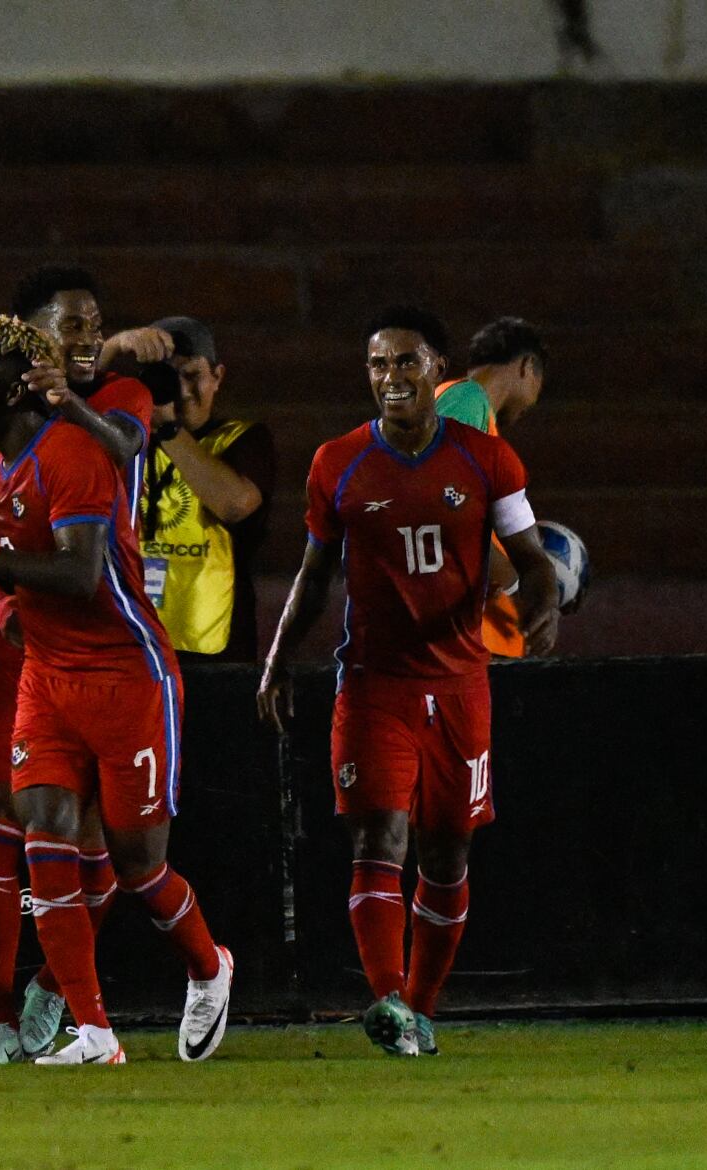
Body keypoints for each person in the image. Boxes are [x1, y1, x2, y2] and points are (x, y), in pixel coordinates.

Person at [0, 315, 232, 1066]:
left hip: (126, 675)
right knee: (43, 837)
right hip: (47, 680)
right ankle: (94, 1033)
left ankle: (209, 967)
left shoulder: (71, 452)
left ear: (16, 386)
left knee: (138, 869)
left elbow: (82, 578)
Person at [257, 306, 559, 1058]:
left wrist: (535, 610)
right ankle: (387, 1001)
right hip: (372, 682)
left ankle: (420, 1010)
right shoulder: (337, 463)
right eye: (377, 365)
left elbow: (532, 563)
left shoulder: (486, 460)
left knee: (446, 851)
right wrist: (276, 657)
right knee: (376, 837)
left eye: (403, 363)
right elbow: (314, 573)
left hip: (459, 682)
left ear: (435, 370)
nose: (389, 377)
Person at [0, 263, 159, 1063]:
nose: (82, 340)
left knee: (98, 837)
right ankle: (0, 1015)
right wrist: (0, 609)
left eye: (90, 324)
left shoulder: (116, 399)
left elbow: (126, 444)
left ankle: (54, 988)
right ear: (24, 335)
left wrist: (68, 400)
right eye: (64, 326)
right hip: (18, 645)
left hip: (103, 639)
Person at [136, 317, 274, 664]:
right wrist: (115, 347)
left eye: (193, 375)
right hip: (136, 641)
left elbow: (233, 504)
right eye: (170, 379)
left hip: (217, 646)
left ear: (218, 376)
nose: (182, 392)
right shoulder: (129, 440)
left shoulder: (245, 440)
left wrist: (167, 429)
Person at [436, 317, 551, 656]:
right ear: (528, 367)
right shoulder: (466, 401)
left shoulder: (468, 410)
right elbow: (445, 512)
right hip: (465, 637)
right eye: (540, 382)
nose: (534, 401)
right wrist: (519, 588)